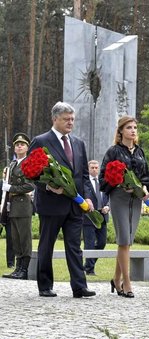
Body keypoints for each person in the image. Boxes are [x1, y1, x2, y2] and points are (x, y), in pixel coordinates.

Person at [29, 101, 96, 298]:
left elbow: (83, 175)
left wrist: (88, 197)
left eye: (72, 119)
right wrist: (48, 186)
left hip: (75, 205)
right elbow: (31, 173)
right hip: (51, 203)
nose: (70, 122)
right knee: (46, 245)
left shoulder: (78, 143)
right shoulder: (41, 141)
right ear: (55, 119)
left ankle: (79, 286)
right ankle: (45, 285)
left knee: (75, 247)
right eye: (66, 119)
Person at [99, 115, 149, 298]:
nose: (133, 130)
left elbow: (146, 175)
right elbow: (103, 178)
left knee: (128, 241)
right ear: (121, 131)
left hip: (136, 200)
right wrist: (120, 183)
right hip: (119, 198)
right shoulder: (113, 151)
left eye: (135, 127)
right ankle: (127, 282)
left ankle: (115, 279)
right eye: (129, 127)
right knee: (123, 240)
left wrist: (144, 188)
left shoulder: (140, 152)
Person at [2, 133, 34, 280]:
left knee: (24, 238)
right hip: (13, 206)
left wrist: (10, 188)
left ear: (27, 147)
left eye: (22, 144)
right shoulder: (13, 164)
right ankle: (18, 268)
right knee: (15, 238)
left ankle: (24, 269)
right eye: (17, 144)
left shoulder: (29, 163)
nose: (19, 146)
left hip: (23, 205)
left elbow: (29, 185)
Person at [82, 160, 110, 276]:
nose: (94, 169)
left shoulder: (103, 181)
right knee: (89, 243)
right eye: (92, 168)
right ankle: (89, 269)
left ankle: (88, 264)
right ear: (88, 169)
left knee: (102, 243)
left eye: (96, 168)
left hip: (102, 215)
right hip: (89, 216)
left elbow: (108, 196)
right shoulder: (85, 182)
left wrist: (108, 206)